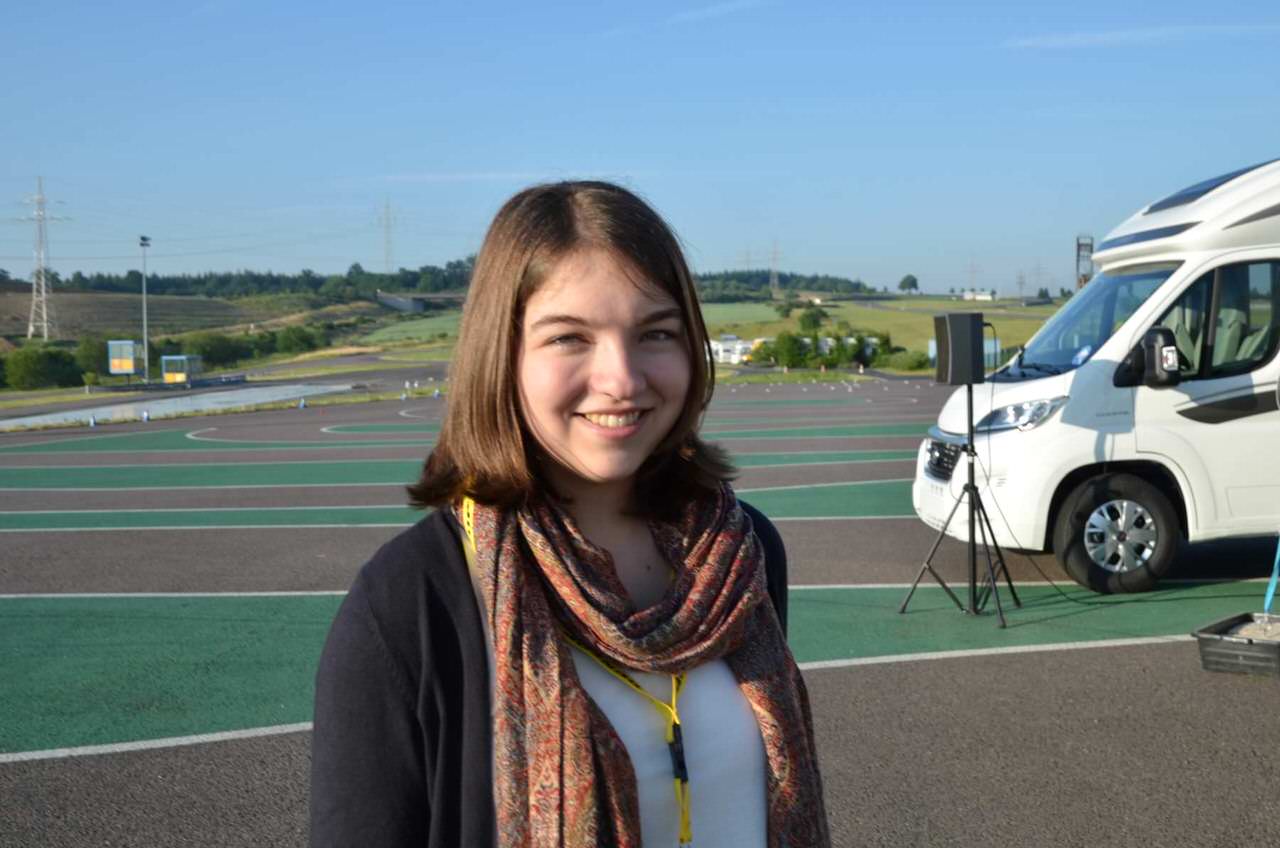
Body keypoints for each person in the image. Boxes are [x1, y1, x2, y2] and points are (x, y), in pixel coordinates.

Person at [311, 181, 829, 847]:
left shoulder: (741, 553)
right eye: (569, 338)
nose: (622, 379)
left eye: (656, 333)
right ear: (503, 355)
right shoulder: (409, 601)